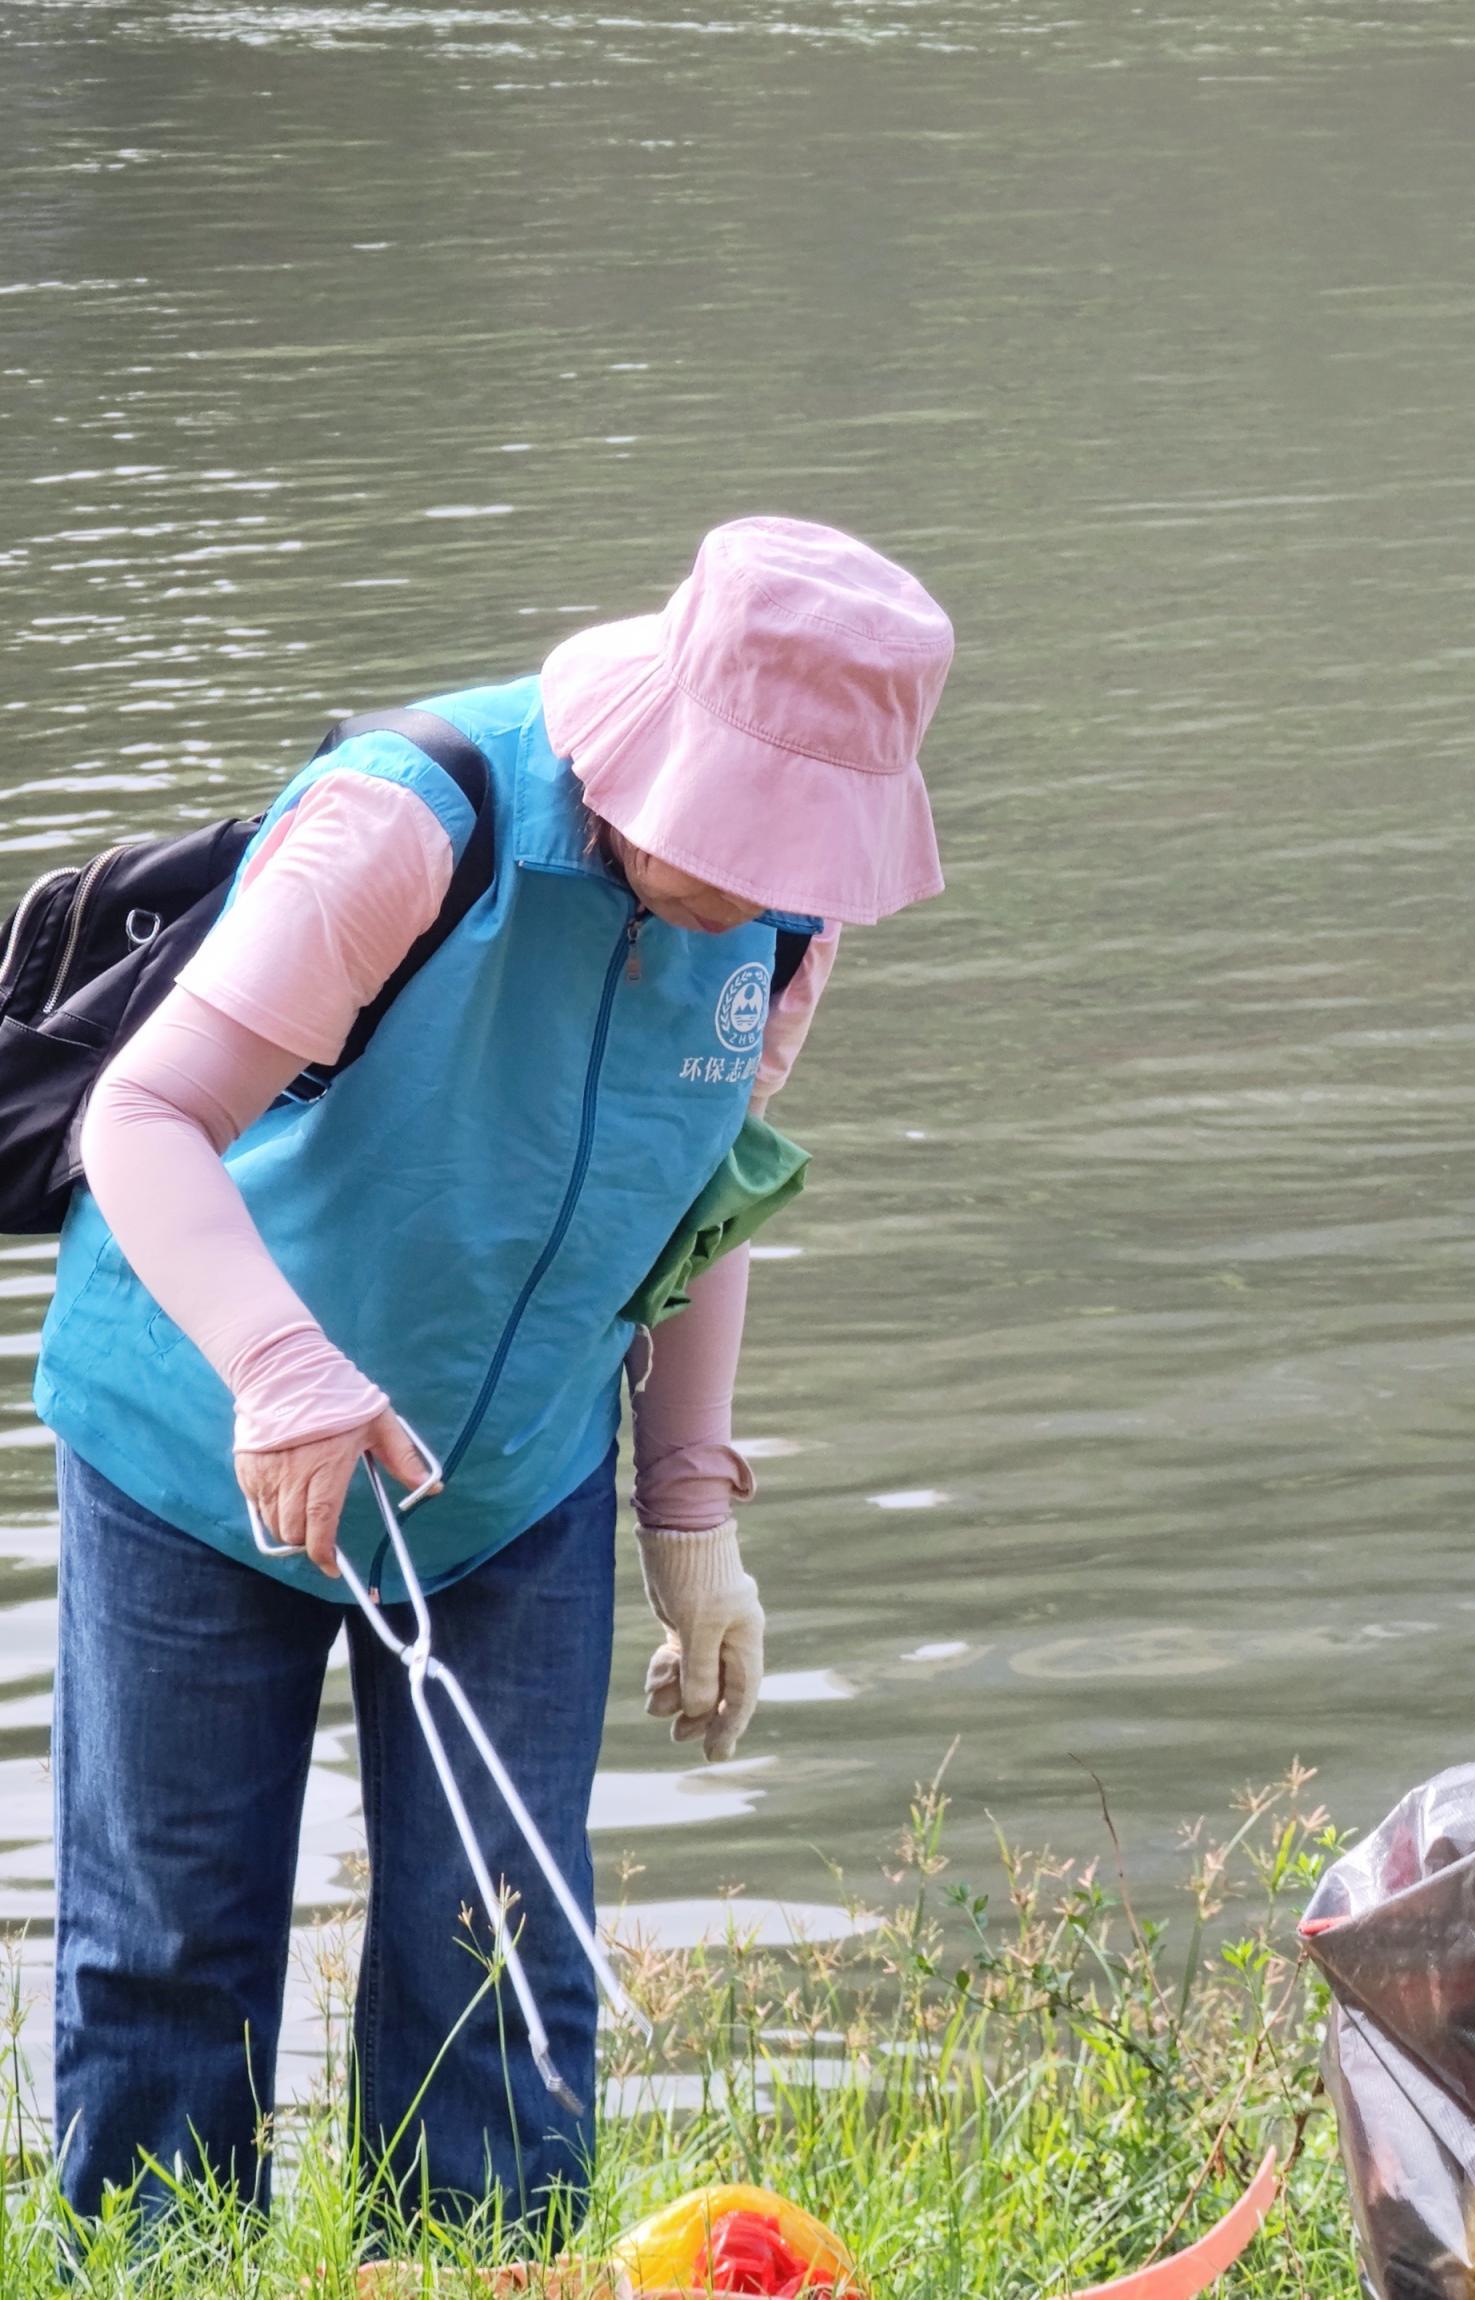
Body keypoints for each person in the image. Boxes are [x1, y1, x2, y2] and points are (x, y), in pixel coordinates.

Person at [34, 516, 952, 2231]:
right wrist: (285, 1371)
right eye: (743, 828)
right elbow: (141, 1117)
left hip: (510, 1482)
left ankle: (480, 2270)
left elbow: (708, 1188)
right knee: (171, 1942)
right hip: (200, 1436)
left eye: (801, 845)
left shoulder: (779, 918)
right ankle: (167, 2271)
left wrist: (692, 1508)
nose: (760, 882)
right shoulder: (412, 816)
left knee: (502, 1943)